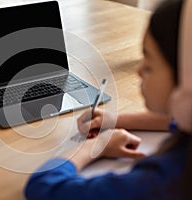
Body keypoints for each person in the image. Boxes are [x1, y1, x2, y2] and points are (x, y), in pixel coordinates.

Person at [24, 0, 192, 199]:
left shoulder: (162, 182)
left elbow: (44, 186)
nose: (138, 71)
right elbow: (174, 121)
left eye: (148, 65)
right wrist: (116, 119)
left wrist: (96, 145)